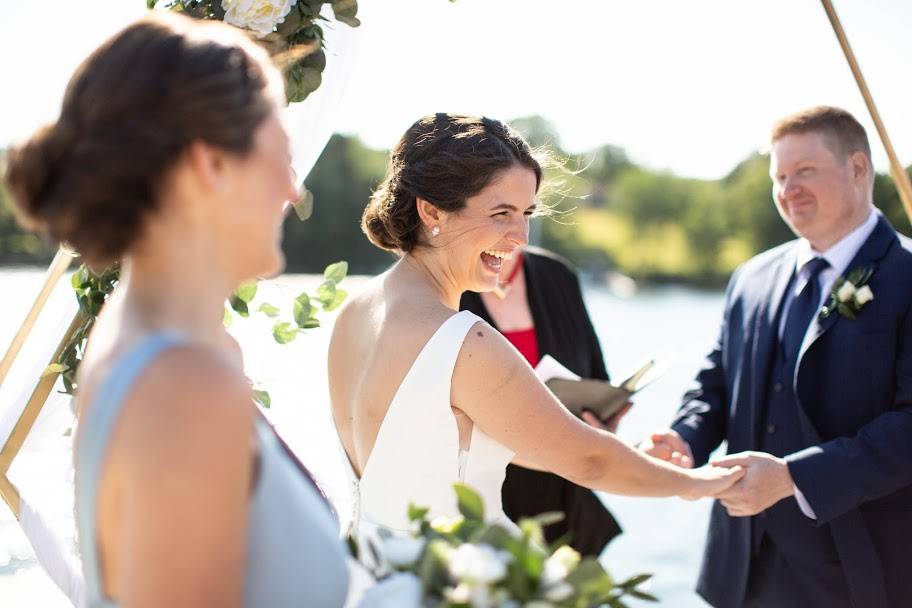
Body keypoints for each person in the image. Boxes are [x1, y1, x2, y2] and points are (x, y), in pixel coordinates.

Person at [4, 14, 349, 607]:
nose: (295, 190)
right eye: (281, 157)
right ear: (209, 165)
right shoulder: (184, 384)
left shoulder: (148, 341)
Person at [327, 113, 744, 546]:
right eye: (501, 212)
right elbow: (589, 462)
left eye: (527, 212)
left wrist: (638, 460)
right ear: (432, 211)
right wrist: (700, 483)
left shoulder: (353, 312)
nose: (521, 235)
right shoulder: (464, 342)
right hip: (457, 579)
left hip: (379, 570)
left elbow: (516, 442)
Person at [643, 106, 912, 608]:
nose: (788, 189)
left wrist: (793, 478)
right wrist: (684, 438)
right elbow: (718, 382)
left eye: (804, 172)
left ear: (858, 169)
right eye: (779, 177)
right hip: (740, 568)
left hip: (863, 570)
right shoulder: (752, 277)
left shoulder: (907, 274)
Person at [460, 246, 627, 556]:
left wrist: (604, 420)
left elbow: (595, 373)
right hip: (480, 511)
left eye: (526, 212)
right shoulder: (444, 288)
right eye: (501, 212)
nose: (517, 229)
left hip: (566, 506)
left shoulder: (558, 275)